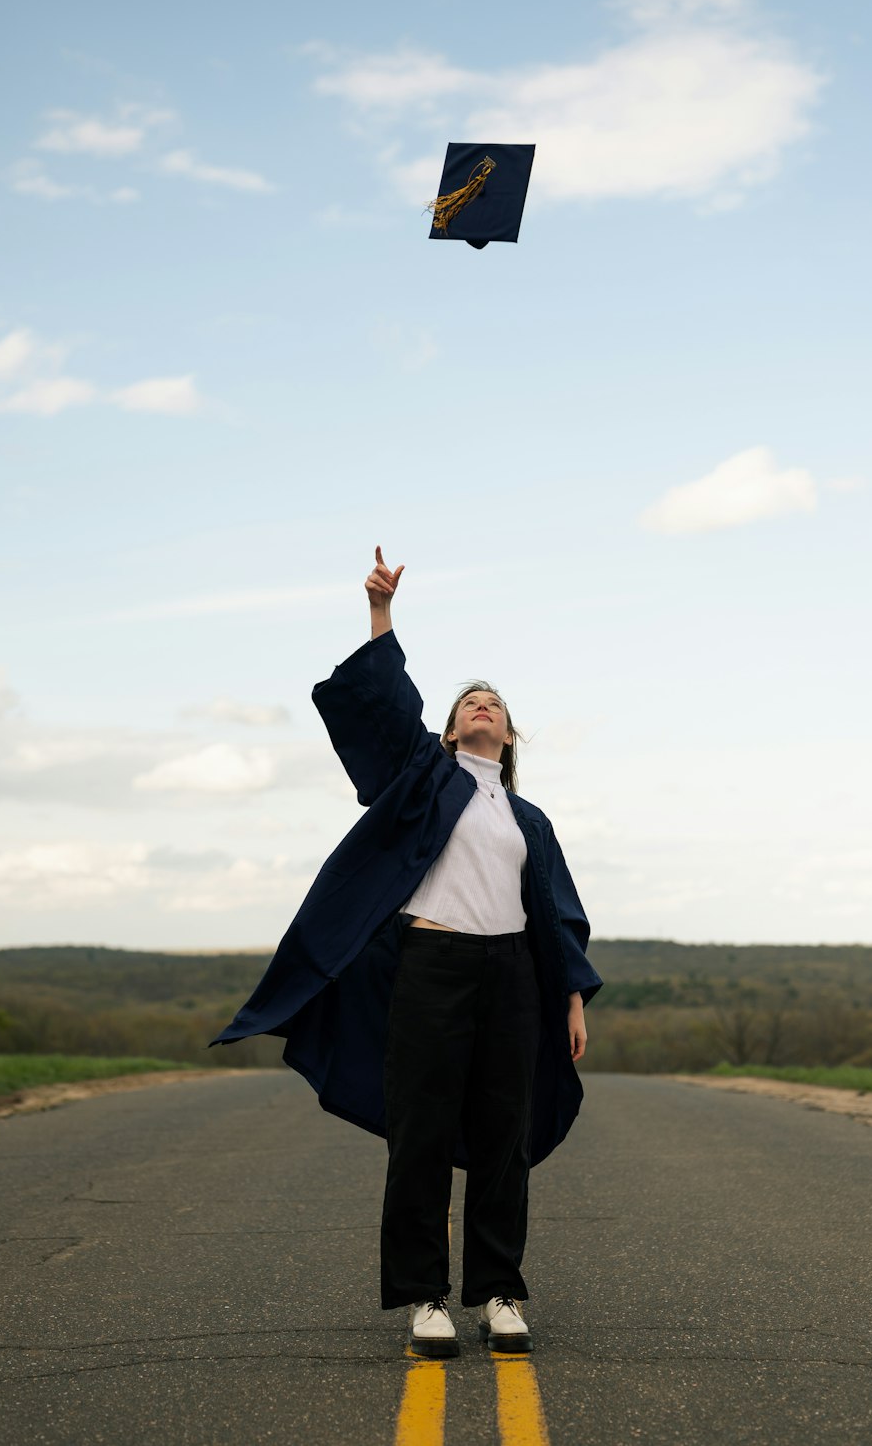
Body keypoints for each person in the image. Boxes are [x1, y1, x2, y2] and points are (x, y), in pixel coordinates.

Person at [212, 548, 602, 1359]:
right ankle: (426, 1297)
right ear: (453, 727)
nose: (482, 705)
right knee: (420, 1131)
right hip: (431, 969)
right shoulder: (422, 776)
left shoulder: (528, 819)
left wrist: (568, 996)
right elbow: (387, 708)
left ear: (510, 731)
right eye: (470, 702)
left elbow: (558, 913)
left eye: (493, 701)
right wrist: (381, 615)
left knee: (505, 1134)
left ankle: (499, 1292)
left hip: (511, 979)